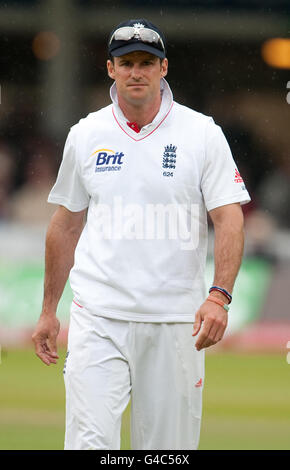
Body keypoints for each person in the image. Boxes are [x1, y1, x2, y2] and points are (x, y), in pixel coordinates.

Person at [32, 18, 250, 450]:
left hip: (175, 320)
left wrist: (219, 295)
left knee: (167, 452)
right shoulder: (86, 134)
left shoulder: (201, 133)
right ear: (110, 69)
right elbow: (66, 223)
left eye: (146, 63)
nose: (136, 72)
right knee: (88, 444)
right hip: (99, 315)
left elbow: (229, 218)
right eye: (126, 62)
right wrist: (47, 309)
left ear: (163, 68)